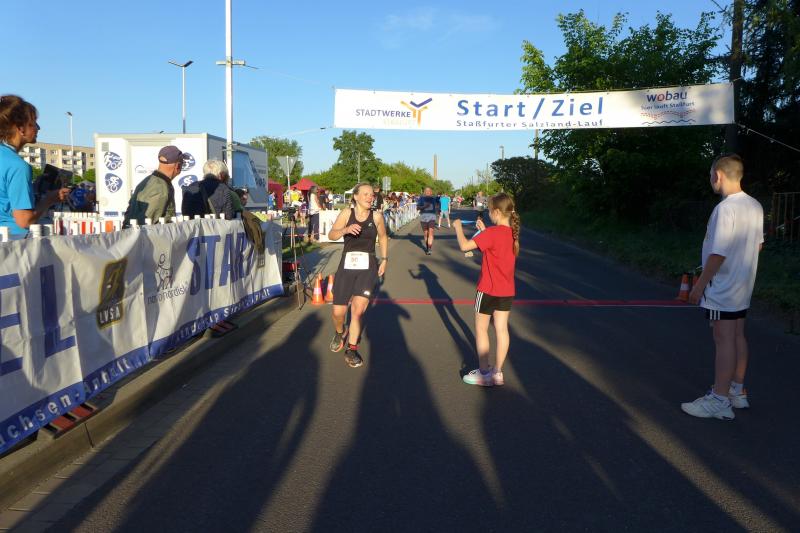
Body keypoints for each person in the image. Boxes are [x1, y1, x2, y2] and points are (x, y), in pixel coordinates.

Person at [682, 154, 764, 420]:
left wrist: (699, 286)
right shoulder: (754, 205)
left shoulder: (725, 208)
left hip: (722, 287)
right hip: (742, 284)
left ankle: (719, 399)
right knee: (738, 335)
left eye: (710, 176)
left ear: (718, 175)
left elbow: (718, 252)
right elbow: (758, 245)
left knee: (723, 339)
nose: (711, 181)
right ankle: (736, 391)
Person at [453, 192, 520, 387]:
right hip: (507, 290)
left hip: (488, 289)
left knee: (481, 329)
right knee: (502, 329)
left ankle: (483, 372)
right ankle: (497, 372)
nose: (489, 214)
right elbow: (495, 244)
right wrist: (484, 230)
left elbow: (465, 246)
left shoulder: (492, 233)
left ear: (497, 212)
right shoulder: (512, 233)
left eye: (490, 210)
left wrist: (458, 228)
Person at [327, 182, 388, 368]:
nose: (370, 197)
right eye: (366, 194)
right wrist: (345, 230)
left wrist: (384, 259)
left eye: (372, 195)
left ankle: (352, 349)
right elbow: (331, 235)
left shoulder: (377, 216)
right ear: (355, 196)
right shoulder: (347, 213)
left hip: (368, 265)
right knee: (338, 312)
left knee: (357, 310)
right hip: (347, 265)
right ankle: (340, 332)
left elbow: (383, 237)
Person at [0, 95, 69, 238]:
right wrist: (49, 199)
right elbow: (24, 220)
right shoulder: (18, 166)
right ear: (21, 128)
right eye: (33, 123)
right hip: (13, 241)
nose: (38, 128)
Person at [123, 145, 185, 227]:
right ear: (178, 166)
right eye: (183, 164)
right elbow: (148, 224)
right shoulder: (160, 188)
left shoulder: (151, 181)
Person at [417, 187, 439, 255]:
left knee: (431, 232)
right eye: (426, 191)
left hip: (432, 217)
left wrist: (437, 210)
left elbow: (438, 205)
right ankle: (427, 247)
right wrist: (424, 206)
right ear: (424, 192)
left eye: (429, 191)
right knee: (426, 233)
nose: (427, 192)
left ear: (431, 192)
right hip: (423, 217)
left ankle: (429, 248)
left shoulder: (434, 198)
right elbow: (417, 208)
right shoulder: (421, 198)